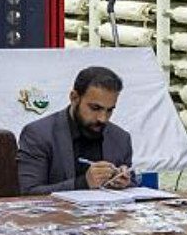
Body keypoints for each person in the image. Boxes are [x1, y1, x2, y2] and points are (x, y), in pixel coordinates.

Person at [17, 66, 135, 195]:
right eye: (95, 108)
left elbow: (133, 185)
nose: (103, 118)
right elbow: (28, 193)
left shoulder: (121, 138)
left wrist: (125, 182)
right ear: (74, 98)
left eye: (109, 110)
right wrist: (83, 183)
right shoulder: (39, 134)